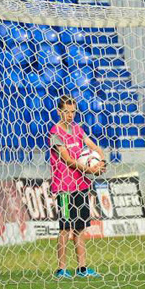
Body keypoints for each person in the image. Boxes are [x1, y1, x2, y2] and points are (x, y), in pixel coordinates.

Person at [49, 95, 106, 279]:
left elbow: (93, 146)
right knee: (65, 228)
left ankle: (82, 268)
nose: (70, 115)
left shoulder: (77, 128)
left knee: (80, 227)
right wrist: (90, 169)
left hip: (80, 185)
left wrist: (101, 161)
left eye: (73, 112)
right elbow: (68, 160)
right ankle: (61, 269)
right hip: (64, 187)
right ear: (59, 112)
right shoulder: (55, 133)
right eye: (66, 112)